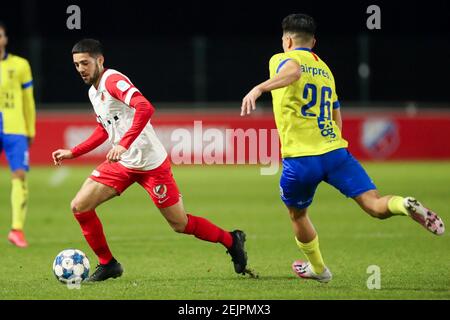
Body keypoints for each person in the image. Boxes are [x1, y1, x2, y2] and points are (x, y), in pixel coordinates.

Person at [241, 13, 444, 283]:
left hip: (302, 158)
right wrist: (332, 143)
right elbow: (337, 114)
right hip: (336, 152)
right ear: (313, 41)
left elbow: (293, 72)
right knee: (375, 205)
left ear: (288, 40)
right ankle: (404, 204)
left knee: (297, 213)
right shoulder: (326, 70)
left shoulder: (280, 59)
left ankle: (319, 269)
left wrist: (258, 89)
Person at [51, 39, 248, 282]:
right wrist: (74, 152)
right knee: (79, 206)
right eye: (76, 64)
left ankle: (231, 240)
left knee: (180, 224)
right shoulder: (94, 91)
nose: (80, 69)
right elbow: (104, 129)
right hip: (122, 164)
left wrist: (124, 143)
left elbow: (145, 107)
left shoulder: (113, 80)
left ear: (99, 60)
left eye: (85, 63)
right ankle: (108, 264)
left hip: (150, 164)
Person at [0, 21, 36, 248]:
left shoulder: (21, 65)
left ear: (5, 39)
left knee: (19, 176)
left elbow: (28, 100)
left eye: (0, 35)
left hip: (15, 129)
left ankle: (16, 229)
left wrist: (30, 128)